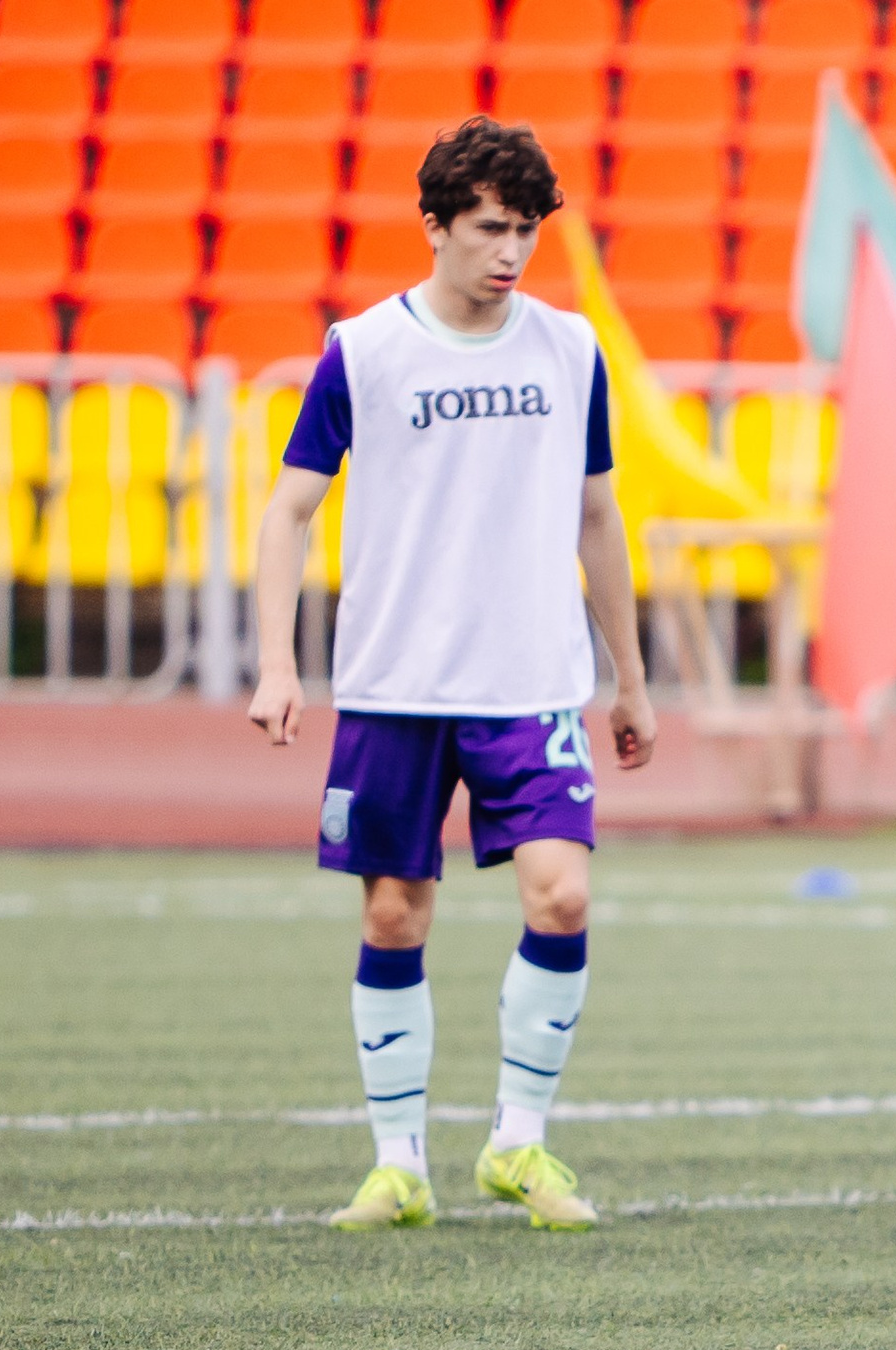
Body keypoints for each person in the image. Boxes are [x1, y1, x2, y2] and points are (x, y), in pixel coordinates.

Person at [245, 117, 655, 1233]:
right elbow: (289, 510)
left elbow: (598, 516)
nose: (510, 251)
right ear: (433, 225)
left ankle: (518, 1143)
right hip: (396, 684)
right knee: (393, 914)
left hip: (532, 680)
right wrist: (278, 661)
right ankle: (399, 1165)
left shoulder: (569, 350)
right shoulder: (366, 350)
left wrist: (629, 676)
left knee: (563, 894)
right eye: (488, 228)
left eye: (525, 230)